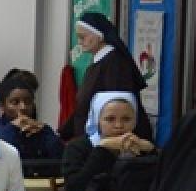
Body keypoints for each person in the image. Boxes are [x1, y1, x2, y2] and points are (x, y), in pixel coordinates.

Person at [60, 11, 153, 143]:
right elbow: (84, 107)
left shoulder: (115, 64)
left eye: (83, 37)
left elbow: (119, 109)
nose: (79, 42)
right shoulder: (98, 63)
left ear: (99, 36)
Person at [61, 92, 156, 191]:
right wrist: (102, 149)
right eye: (110, 119)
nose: (119, 125)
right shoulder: (77, 147)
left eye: (126, 119)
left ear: (135, 121)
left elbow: (161, 190)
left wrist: (152, 152)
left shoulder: (141, 146)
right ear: (98, 120)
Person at [0, 68, 63, 175]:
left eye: (28, 101)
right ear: (2, 106)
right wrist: (13, 128)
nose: (23, 107)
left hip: (41, 188)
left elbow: (60, 158)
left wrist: (45, 131)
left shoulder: (40, 128)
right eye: (15, 102)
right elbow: (0, 153)